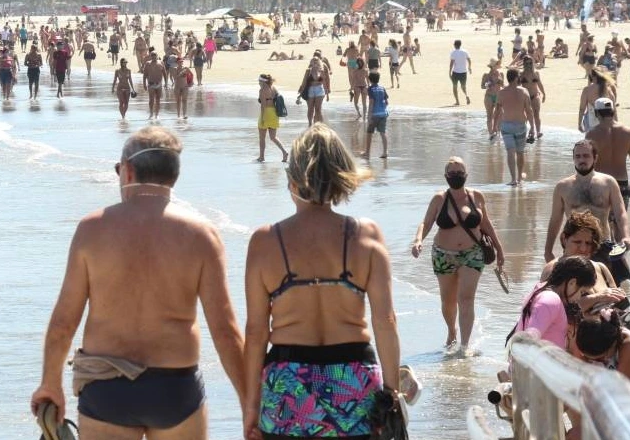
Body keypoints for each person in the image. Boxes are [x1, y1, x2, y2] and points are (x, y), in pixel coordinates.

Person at [30, 127, 246, 440]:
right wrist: (248, 401)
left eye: (118, 170)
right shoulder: (202, 235)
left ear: (128, 171)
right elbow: (225, 331)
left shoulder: (93, 229)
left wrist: (50, 383)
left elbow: (64, 321)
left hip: (106, 389)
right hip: (175, 388)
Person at [243, 123, 400, 440]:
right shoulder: (365, 235)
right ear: (342, 174)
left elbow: (256, 331)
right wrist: (392, 392)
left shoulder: (265, 242)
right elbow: (385, 320)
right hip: (353, 378)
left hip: (287, 383)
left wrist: (251, 405)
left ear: (292, 179)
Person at [412, 157, 505, 352]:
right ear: (446, 176)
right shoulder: (439, 199)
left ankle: (464, 346)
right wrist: (418, 239)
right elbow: (426, 223)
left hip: (473, 254)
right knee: (448, 301)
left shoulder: (476, 196)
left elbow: (485, 223)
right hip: (443, 255)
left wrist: (499, 248)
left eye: (460, 173)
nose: (456, 176)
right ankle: (451, 331)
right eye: (452, 173)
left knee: (466, 299)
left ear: (466, 175)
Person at [545, 140, 630, 290]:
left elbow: (620, 212)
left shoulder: (608, 182)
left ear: (595, 158)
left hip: (602, 245)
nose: (581, 160)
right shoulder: (562, 187)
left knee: (613, 288)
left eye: (585, 156)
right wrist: (548, 249)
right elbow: (555, 220)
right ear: (573, 159)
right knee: (572, 290)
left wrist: (625, 236)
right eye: (577, 156)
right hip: (574, 247)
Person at [511, 256, 596, 351]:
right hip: (537, 364)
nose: (579, 297)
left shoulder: (540, 287)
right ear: (572, 283)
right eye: (582, 292)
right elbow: (530, 337)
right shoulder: (551, 299)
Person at [493, 68, 534, 186]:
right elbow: (529, 111)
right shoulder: (524, 91)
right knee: (520, 152)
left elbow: (497, 111)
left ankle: (513, 179)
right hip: (520, 125)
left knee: (510, 152)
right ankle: (520, 179)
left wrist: (494, 126)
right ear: (516, 78)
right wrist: (533, 127)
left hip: (506, 126)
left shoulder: (501, 92)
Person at [587, 98, 630, 209]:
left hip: (600, 182)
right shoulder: (627, 132)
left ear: (597, 113)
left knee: (599, 223)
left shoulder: (591, 134)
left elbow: (587, 162)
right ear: (613, 111)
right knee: (620, 221)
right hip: (621, 183)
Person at [576, 310, 630, 377]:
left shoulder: (627, 346)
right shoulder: (590, 339)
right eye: (590, 358)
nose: (597, 361)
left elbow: (619, 384)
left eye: (600, 358)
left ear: (613, 344)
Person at [256, 74, 287, 163]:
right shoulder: (274, 88)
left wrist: (262, 118)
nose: (258, 83)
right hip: (274, 114)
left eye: (259, 81)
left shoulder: (262, 90)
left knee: (262, 138)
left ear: (263, 81)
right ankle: (284, 152)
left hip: (266, 114)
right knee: (273, 137)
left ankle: (262, 157)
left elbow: (263, 106)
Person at [519, 56, 546, 142]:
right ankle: (528, 132)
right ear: (524, 64)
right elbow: (517, 86)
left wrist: (544, 93)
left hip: (535, 96)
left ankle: (538, 132)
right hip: (525, 97)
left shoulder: (536, 73)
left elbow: (540, 84)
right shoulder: (521, 74)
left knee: (536, 114)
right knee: (526, 116)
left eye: (531, 63)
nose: (529, 65)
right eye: (527, 63)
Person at [298, 56, 330, 126]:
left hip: (320, 90)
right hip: (310, 90)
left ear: (319, 62)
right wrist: (300, 95)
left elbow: (324, 82)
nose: (315, 62)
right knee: (310, 109)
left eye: (316, 60)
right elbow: (304, 82)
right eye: (313, 60)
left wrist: (327, 94)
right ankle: (310, 124)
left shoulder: (321, 70)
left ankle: (319, 125)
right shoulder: (308, 71)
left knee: (318, 109)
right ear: (311, 62)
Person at [365, 71, 389, 159]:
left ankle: (367, 153)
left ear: (369, 79)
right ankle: (385, 151)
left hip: (375, 114)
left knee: (369, 133)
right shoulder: (382, 88)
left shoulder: (370, 89)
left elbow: (371, 102)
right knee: (383, 132)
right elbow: (386, 102)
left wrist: (369, 115)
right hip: (383, 113)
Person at [481, 58, 504, 139]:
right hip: (489, 96)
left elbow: (503, 86)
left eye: (498, 64)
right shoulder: (486, 75)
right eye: (497, 64)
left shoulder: (501, 74)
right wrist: (487, 84)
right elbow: (482, 86)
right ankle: (491, 133)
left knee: (500, 114)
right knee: (489, 115)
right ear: (493, 66)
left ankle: (498, 132)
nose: (498, 65)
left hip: (498, 96)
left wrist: (500, 82)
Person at [142, 51, 166, 120]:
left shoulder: (161, 63)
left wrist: (166, 83)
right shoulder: (148, 63)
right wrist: (144, 84)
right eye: (152, 55)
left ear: (157, 56)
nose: (153, 56)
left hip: (159, 83)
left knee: (158, 100)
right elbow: (145, 74)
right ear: (150, 56)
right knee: (151, 100)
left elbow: (164, 73)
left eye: (155, 55)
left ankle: (157, 114)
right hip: (151, 84)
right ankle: (151, 113)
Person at [449, 40, 471, 105]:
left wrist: (449, 72)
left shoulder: (453, 53)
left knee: (455, 87)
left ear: (455, 45)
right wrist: (469, 67)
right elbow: (469, 60)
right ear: (460, 45)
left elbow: (451, 63)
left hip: (455, 72)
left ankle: (457, 101)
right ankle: (466, 95)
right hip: (464, 72)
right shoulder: (465, 52)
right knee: (463, 86)